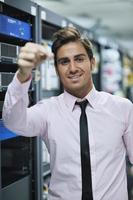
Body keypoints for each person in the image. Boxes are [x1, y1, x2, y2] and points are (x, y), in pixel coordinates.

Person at [2, 27, 133, 200]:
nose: (72, 68)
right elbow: (13, 122)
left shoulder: (122, 108)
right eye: (64, 62)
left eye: (79, 59)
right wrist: (23, 75)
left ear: (92, 63)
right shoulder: (47, 111)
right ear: (56, 70)